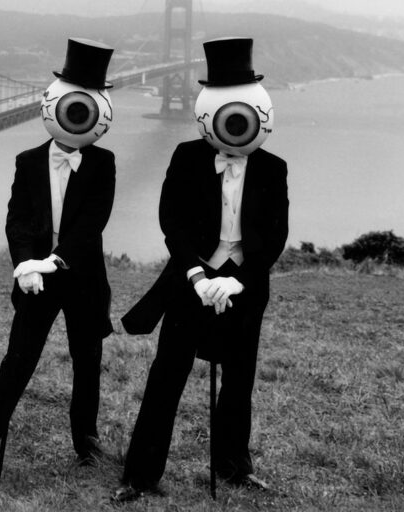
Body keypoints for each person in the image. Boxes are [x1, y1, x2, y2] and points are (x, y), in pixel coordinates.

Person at [112, 37, 289, 502]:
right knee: (166, 376)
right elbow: (171, 223)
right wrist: (197, 275)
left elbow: (275, 238)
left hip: (245, 287)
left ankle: (233, 467)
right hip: (189, 283)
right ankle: (140, 475)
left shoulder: (274, 168)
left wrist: (238, 280)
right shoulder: (186, 157)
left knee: (239, 380)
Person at [0, 38, 118, 482]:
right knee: (16, 362)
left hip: (82, 277)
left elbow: (92, 225)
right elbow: (18, 220)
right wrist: (26, 264)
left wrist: (53, 261)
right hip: (35, 279)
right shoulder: (27, 161)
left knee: (87, 363)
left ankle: (86, 445)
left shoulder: (103, 163)